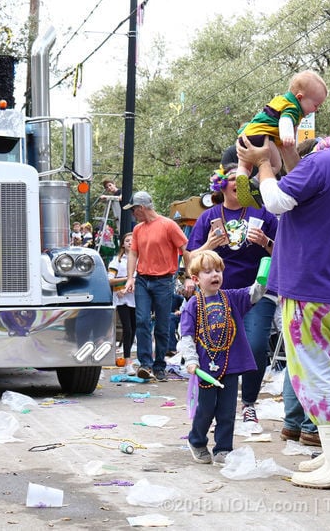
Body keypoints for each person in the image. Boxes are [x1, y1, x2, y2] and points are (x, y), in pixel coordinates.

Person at [237, 93, 330, 491]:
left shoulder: (326, 161)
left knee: (312, 378)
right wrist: (287, 156)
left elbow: (280, 201)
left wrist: (263, 166)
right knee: (327, 374)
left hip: (309, 287)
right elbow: (311, 191)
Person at [187, 163, 278, 429]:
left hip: (255, 293)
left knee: (256, 345)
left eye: (244, 179)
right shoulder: (209, 217)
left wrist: (265, 242)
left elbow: (283, 254)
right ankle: (216, 404)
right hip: (216, 294)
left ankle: (248, 404)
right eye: (232, 179)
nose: (239, 183)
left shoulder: (264, 214)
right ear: (221, 185)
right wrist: (209, 245)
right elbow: (192, 258)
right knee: (214, 348)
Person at [177, 250, 261, 465]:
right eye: (208, 272)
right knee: (205, 410)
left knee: (227, 411)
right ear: (196, 279)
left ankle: (223, 448)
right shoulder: (192, 305)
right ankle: (196, 440)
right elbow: (186, 336)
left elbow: (255, 292)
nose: (215, 275)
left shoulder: (231, 297)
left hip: (230, 366)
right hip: (205, 368)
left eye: (218, 270)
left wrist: (266, 273)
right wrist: (191, 360)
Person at [234, 70, 328, 208]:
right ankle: (254, 184)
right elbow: (285, 120)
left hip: (247, 134)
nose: (316, 110)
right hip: (262, 137)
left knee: (243, 165)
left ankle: (240, 180)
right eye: (316, 105)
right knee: (275, 165)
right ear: (300, 97)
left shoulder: (279, 99)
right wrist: (287, 135)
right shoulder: (293, 107)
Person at [123, 190, 191, 381]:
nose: (132, 214)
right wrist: (130, 278)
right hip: (143, 279)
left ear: (141, 208)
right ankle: (145, 364)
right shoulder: (138, 229)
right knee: (142, 320)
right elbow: (133, 254)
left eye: (133, 210)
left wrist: (188, 275)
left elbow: (186, 250)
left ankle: (159, 365)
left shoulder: (168, 225)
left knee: (162, 325)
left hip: (164, 280)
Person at [108, 232, 137, 375]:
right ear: (123, 244)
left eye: (133, 240)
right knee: (128, 328)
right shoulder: (117, 261)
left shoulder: (141, 259)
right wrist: (127, 279)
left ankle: (128, 360)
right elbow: (109, 279)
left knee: (134, 328)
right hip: (122, 298)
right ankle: (127, 361)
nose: (130, 243)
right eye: (127, 240)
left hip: (136, 298)